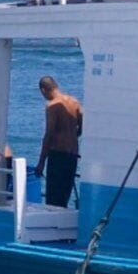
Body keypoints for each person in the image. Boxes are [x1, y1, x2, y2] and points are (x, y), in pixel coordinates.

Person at [37, 76, 84, 208]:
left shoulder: (52, 106)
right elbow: (82, 126)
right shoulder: (74, 102)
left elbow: (49, 134)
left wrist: (41, 162)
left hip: (58, 154)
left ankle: (52, 225)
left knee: (53, 198)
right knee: (65, 194)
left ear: (43, 90)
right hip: (73, 154)